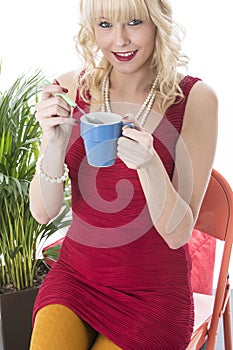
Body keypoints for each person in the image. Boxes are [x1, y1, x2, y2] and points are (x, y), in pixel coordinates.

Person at [29, 0, 218, 349]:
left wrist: (148, 164)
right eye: (105, 25)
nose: (120, 40)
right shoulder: (70, 89)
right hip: (76, 278)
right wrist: (53, 143)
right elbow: (43, 212)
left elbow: (177, 235)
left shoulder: (195, 99)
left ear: (158, 21)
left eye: (134, 22)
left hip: (153, 296)